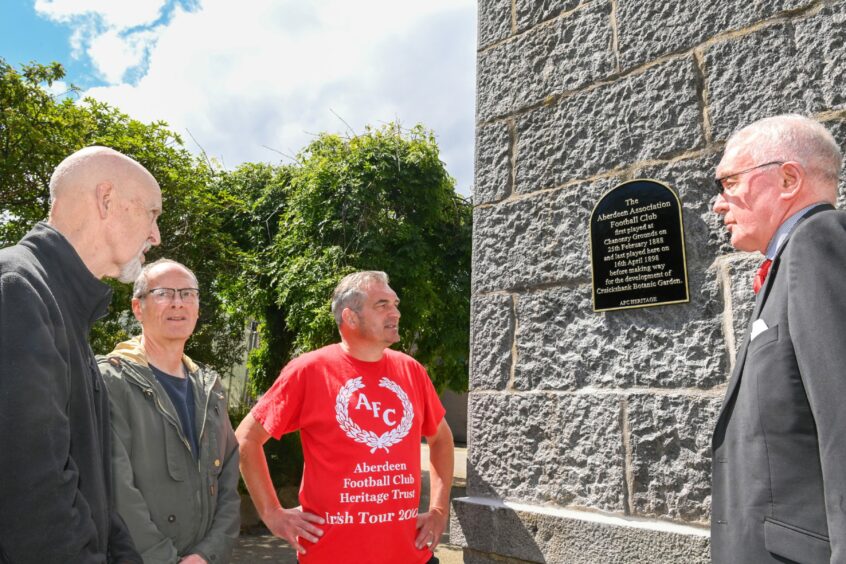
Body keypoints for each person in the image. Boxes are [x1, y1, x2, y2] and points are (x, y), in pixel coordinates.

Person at [0, 146, 162, 562]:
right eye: (152, 213)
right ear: (106, 200)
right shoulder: (16, 290)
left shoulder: (60, 303)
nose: (156, 235)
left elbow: (93, 498)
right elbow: (33, 501)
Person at [236, 271, 454, 563]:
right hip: (332, 555)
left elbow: (441, 439)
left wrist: (439, 511)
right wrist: (272, 513)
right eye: (382, 305)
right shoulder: (309, 371)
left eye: (395, 303)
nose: (396, 313)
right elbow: (246, 439)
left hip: (411, 555)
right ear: (350, 318)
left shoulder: (411, 370)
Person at [711, 114, 845, 563]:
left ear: (788, 178)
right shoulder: (789, 261)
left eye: (729, 181)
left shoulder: (817, 242)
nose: (718, 203)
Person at [98, 259, 241, 564]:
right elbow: (114, 487)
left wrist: (207, 554)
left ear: (198, 309)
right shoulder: (112, 381)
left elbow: (228, 481)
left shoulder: (210, 388)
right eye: (163, 293)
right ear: (138, 308)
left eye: (188, 294)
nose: (178, 303)